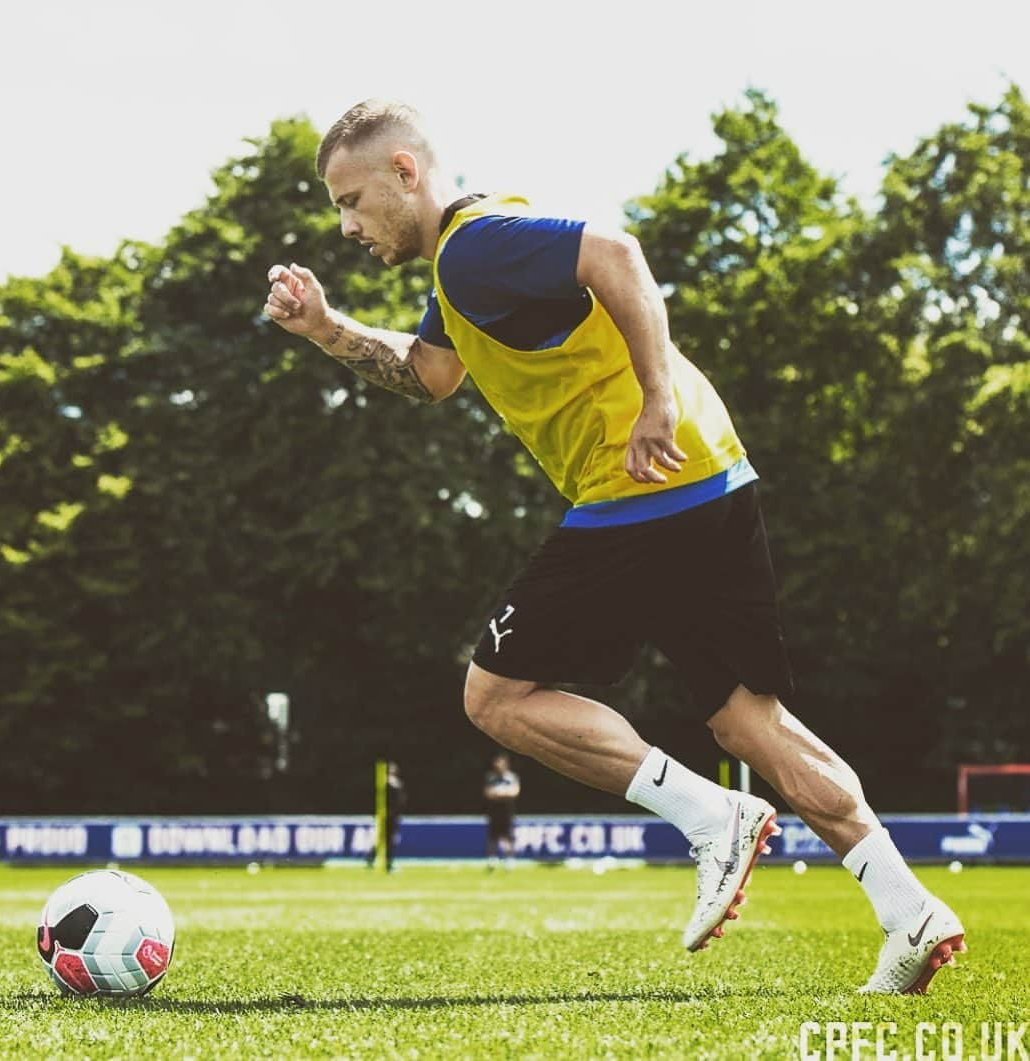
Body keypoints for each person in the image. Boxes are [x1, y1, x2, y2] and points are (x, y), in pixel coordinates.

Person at [263, 99, 966, 993]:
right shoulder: (459, 275)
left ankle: (712, 817)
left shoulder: (477, 242)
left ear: (406, 171)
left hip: (642, 482)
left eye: (352, 199)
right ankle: (908, 909)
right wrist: (327, 328)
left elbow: (616, 255)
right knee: (747, 719)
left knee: (497, 696)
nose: (346, 225)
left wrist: (654, 398)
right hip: (709, 478)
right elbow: (432, 375)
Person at [484, 752, 520, 869]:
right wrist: (504, 793)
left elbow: (515, 792)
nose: (498, 765)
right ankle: (492, 860)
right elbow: (488, 793)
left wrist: (499, 793)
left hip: (507, 812)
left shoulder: (512, 777)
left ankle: (509, 860)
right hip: (494, 812)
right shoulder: (491, 777)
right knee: (493, 836)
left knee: (508, 836)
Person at [384, 761, 406, 873]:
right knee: (387, 840)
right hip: (389, 816)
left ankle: (386, 863)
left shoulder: (396, 783)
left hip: (393, 816)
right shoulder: (386, 783)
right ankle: (387, 864)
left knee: (388, 840)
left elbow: (401, 801)